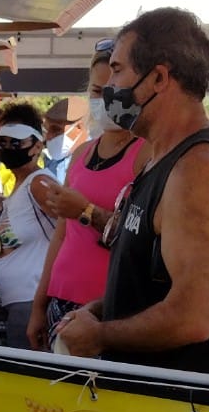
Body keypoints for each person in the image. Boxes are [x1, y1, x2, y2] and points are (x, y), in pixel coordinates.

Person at [55, 9, 209, 410]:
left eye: (117, 71)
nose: (109, 87)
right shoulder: (161, 157)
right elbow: (157, 278)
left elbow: (192, 317)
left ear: (158, 78)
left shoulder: (200, 168)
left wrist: (101, 335)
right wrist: (100, 309)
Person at [29, 40, 146, 348]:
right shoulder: (81, 153)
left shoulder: (145, 154)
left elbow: (142, 240)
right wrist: (39, 304)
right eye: (96, 91)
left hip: (106, 313)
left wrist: (86, 210)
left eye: (113, 89)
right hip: (61, 300)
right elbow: (60, 236)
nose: (104, 98)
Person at [0, 107, 58, 346]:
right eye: (3, 142)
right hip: (18, 302)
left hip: (33, 303)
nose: (8, 149)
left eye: (16, 143)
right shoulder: (20, 188)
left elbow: (69, 233)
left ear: (37, 146)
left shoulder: (40, 184)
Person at [39, 98, 81, 181]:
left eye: (56, 129)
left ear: (78, 128)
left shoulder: (96, 161)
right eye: (46, 130)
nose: (48, 137)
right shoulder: (50, 161)